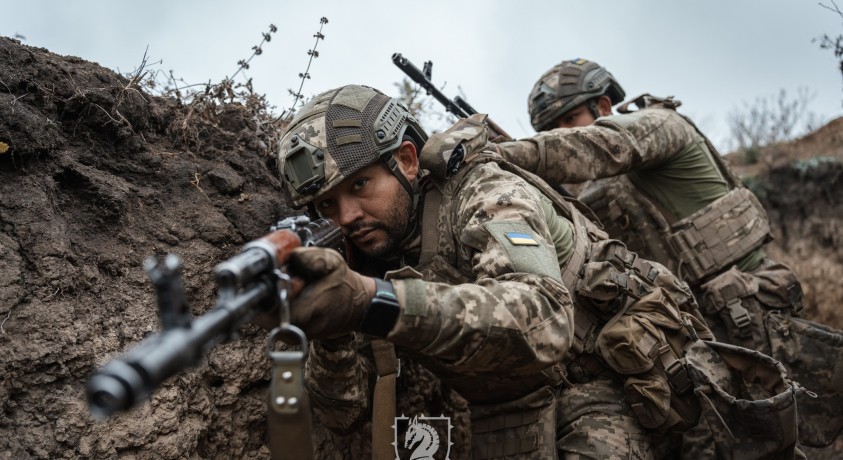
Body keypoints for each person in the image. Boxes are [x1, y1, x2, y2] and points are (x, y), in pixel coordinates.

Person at [275, 84, 799, 459]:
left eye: (360, 187)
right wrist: (332, 329)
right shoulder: (362, 252)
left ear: (408, 161)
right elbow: (342, 416)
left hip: (624, 381)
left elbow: (545, 318)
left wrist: (374, 300)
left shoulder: (484, 191)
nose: (345, 217)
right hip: (518, 415)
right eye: (326, 205)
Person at [499, 57, 842, 450]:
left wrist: (501, 153)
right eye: (549, 130)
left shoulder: (659, 126)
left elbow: (598, 146)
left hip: (750, 321)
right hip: (690, 342)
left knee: (796, 438)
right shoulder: (600, 187)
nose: (559, 134)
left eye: (568, 118)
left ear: (605, 106)